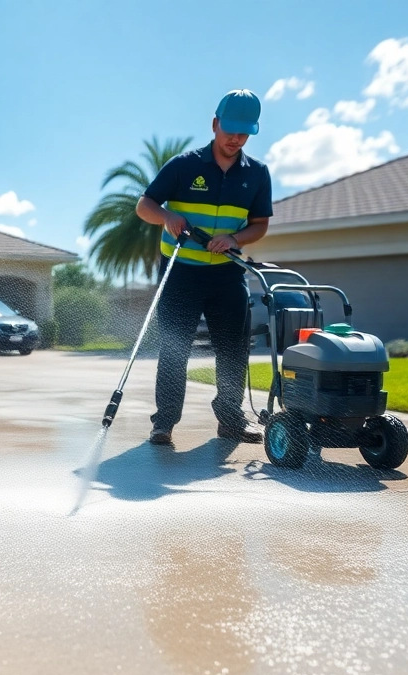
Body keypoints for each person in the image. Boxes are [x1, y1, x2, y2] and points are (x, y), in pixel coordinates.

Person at [135, 89, 273, 446]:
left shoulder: (257, 173)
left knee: (232, 349)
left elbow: (259, 224)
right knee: (174, 347)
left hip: (226, 274)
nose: (236, 138)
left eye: (244, 133)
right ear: (215, 124)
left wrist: (235, 238)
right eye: (230, 130)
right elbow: (144, 205)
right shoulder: (184, 165)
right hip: (180, 271)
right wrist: (166, 215)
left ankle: (230, 420)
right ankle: (164, 422)